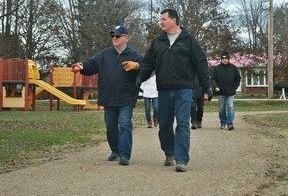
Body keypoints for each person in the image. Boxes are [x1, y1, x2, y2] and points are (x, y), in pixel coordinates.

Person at [136, 9, 212, 172]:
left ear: (174, 20)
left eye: (164, 19)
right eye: (160, 19)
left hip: (184, 89)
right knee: (164, 124)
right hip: (163, 89)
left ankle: (182, 160)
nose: (161, 22)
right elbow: (148, 63)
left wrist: (206, 86)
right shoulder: (158, 41)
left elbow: (200, 63)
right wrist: (140, 78)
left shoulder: (189, 40)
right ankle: (169, 153)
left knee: (183, 123)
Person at [72, 25, 142, 166]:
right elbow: (91, 64)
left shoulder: (135, 55)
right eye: (113, 36)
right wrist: (81, 66)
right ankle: (115, 151)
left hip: (126, 97)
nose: (114, 38)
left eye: (117, 36)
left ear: (126, 37)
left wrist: (137, 66)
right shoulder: (104, 54)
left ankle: (124, 155)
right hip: (108, 96)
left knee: (124, 124)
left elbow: (147, 67)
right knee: (110, 126)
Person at [211, 51, 241, 130]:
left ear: (228, 59)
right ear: (221, 60)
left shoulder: (233, 68)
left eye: (226, 59)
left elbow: (238, 78)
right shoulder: (216, 68)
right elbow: (213, 79)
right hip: (221, 92)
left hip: (230, 91)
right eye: (223, 59)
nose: (224, 60)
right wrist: (215, 87)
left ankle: (230, 123)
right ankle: (223, 122)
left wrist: (235, 86)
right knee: (221, 108)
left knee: (230, 107)